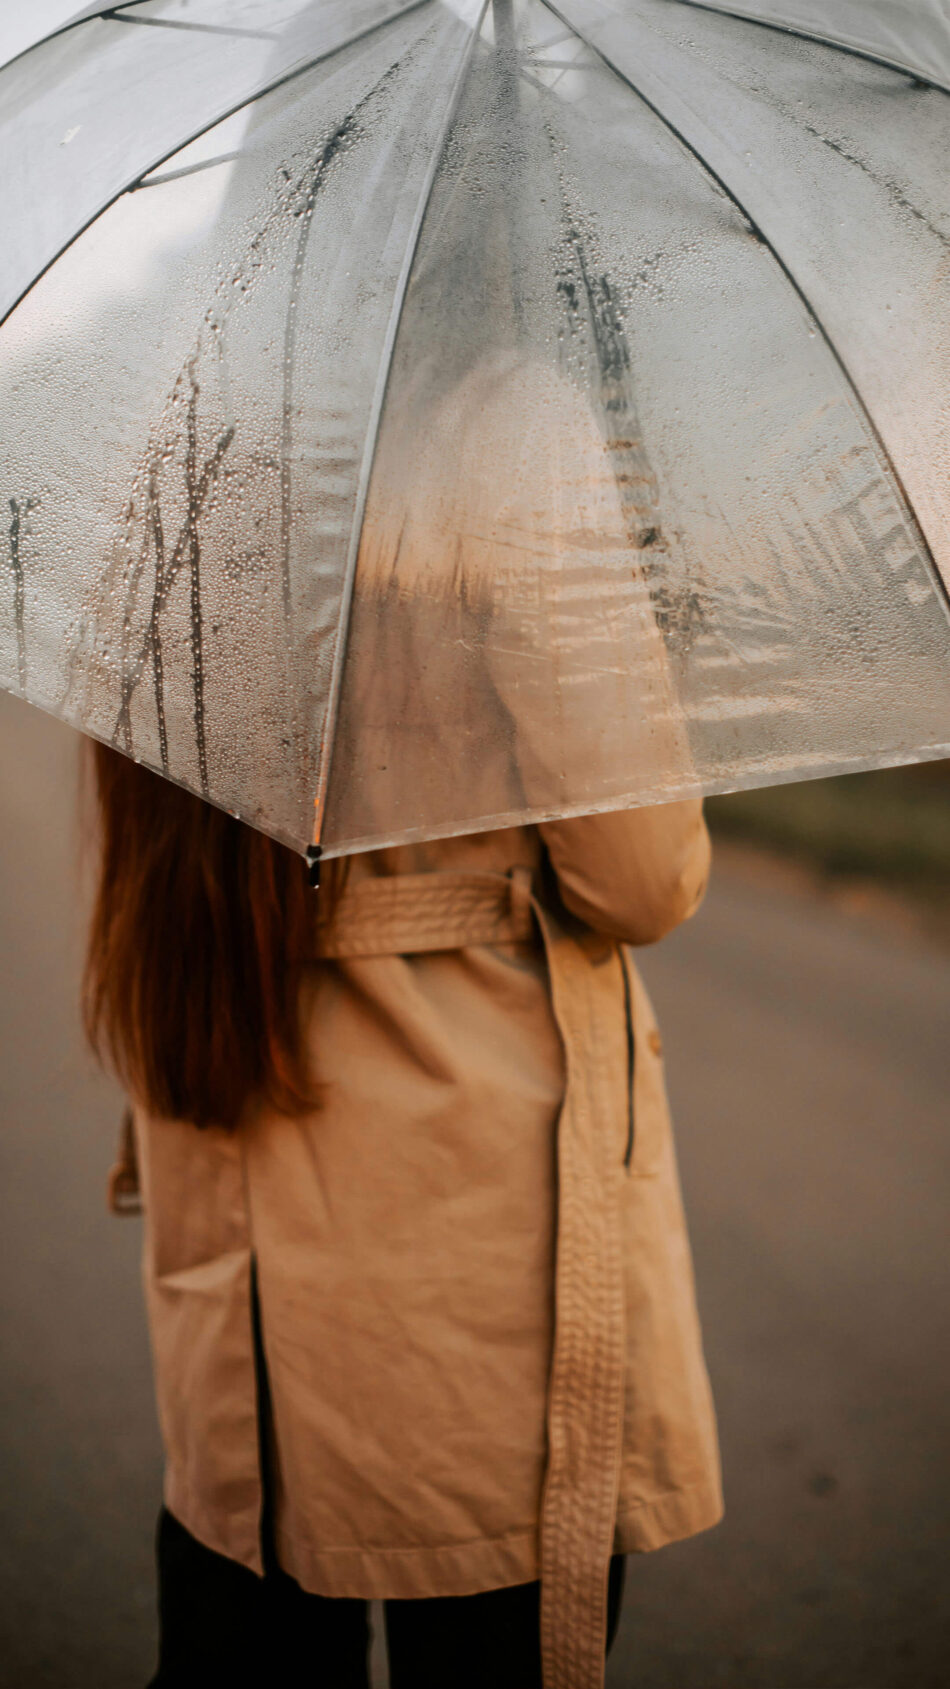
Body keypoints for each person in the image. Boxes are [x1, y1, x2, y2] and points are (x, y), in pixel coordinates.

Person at [86, 746, 721, 1689]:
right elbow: (640, 879)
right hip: (467, 1190)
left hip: (231, 1133)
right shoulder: (524, 587)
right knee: (484, 1610)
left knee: (248, 1603)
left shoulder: (166, 590)